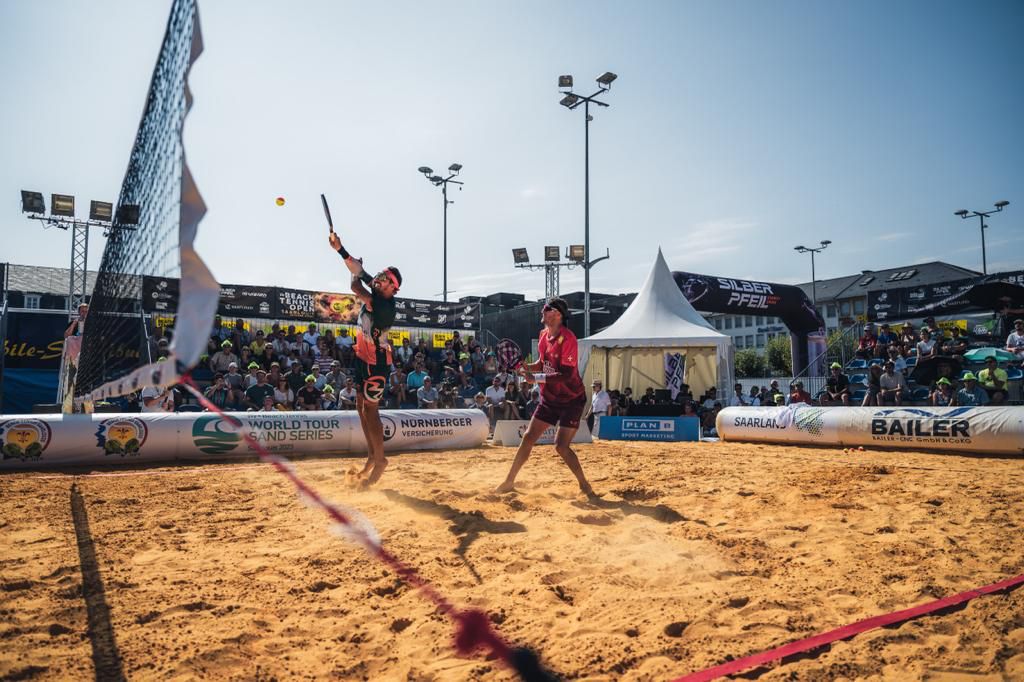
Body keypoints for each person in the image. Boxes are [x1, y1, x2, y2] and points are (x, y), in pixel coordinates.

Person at [496, 298, 595, 497]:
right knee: (528, 437)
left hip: (572, 400)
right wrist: (526, 368)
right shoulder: (543, 335)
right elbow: (542, 363)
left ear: (557, 315)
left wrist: (536, 377)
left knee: (561, 446)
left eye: (546, 309)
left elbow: (566, 375)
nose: (542, 311)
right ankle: (508, 481)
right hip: (550, 398)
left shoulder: (568, 339)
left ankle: (584, 485)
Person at [330, 224, 403, 487]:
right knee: (361, 408)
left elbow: (355, 284)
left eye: (385, 279)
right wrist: (341, 249)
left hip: (376, 363)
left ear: (391, 289)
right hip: (364, 358)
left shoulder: (382, 304)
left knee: (371, 411)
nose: (380, 278)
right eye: (381, 275)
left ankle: (380, 459)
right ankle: (372, 456)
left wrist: (354, 271)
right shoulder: (379, 291)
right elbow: (358, 269)